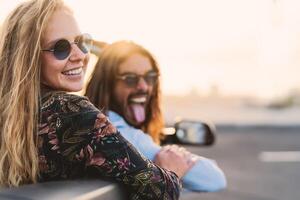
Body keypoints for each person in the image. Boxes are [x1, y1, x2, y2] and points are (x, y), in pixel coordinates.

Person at [0, 1, 183, 199]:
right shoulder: (72, 112)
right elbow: (161, 190)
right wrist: (173, 171)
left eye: (82, 42)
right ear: (29, 58)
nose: (79, 55)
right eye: (60, 48)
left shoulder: (9, 115)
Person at [85, 41, 227, 192]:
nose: (144, 86)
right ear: (108, 84)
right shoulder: (125, 137)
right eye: (130, 78)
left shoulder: (86, 122)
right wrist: (172, 157)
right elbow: (215, 178)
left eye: (150, 77)